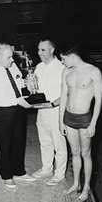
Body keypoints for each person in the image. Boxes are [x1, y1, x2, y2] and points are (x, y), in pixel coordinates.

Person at [0, 43, 36, 189]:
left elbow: (18, 85)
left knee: (19, 141)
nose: (12, 60)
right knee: (4, 144)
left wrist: (27, 85)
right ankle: (6, 175)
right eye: (8, 57)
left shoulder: (12, 66)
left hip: (18, 109)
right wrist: (18, 101)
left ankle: (19, 171)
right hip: (1, 112)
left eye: (11, 57)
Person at [59, 42, 102, 202]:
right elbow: (63, 97)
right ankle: (76, 183)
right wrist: (60, 121)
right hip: (69, 118)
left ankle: (86, 187)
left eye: (63, 58)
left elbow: (99, 100)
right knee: (75, 152)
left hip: (85, 119)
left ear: (72, 57)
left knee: (86, 153)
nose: (62, 62)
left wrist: (93, 124)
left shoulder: (93, 72)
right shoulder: (66, 71)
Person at [32, 39, 68, 186]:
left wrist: (52, 104)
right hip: (41, 110)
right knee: (45, 142)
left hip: (56, 111)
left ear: (52, 50)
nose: (39, 53)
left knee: (59, 144)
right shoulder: (38, 68)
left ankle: (59, 174)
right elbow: (35, 91)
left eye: (43, 50)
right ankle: (46, 168)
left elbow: (66, 94)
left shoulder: (62, 68)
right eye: (39, 50)